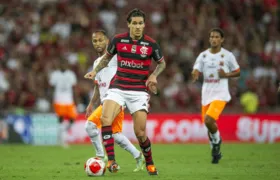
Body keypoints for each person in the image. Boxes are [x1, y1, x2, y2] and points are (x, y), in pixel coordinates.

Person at [84, 8, 166, 175]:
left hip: (138, 91)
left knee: (140, 133)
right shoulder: (118, 40)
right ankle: (112, 161)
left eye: (140, 23)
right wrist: (95, 71)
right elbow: (106, 58)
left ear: (144, 25)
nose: (137, 26)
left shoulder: (151, 44)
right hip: (118, 87)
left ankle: (149, 162)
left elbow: (162, 63)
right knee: (105, 119)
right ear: (128, 24)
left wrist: (154, 75)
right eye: (134, 23)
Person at [84, 30, 145, 172]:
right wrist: (91, 104)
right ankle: (138, 156)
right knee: (116, 135)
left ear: (107, 41)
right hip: (105, 101)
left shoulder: (116, 57)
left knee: (90, 125)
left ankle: (101, 156)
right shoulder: (96, 63)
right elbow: (98, 86)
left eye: (100, 40)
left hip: (116, 99)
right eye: (95, 41)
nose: (98, 43)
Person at [191, 28, 240, 164]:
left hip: (221, 94)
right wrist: (195, 73)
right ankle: (215, 151)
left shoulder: (228, 55)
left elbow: (237, 71)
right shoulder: (203, 55)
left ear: (222, 39)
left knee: (208, 120)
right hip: (206, 94)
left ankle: (217, 141)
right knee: (208, 124)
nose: (214, 39)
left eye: (217, 37)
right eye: (212, 36)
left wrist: (227, 75)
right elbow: (196, 68)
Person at [49, 59, 78, 147]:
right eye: (62, 64)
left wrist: (76, 100)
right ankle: (63, 140)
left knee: (73, 119)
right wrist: (51, 100)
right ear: (59, 65)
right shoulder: (55, 74)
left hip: (69, 100)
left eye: (65, 64)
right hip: (59, 100)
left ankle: (62, 134)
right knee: (61, 119)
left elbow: (74, 88)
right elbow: (51, 87)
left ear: (67, 65)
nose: (63, 66)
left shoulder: (71, 74)